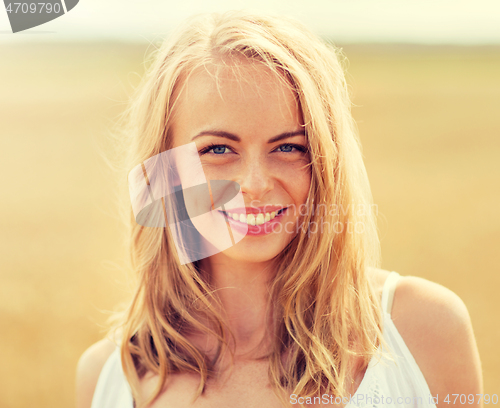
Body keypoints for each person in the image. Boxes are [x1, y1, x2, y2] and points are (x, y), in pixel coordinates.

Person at [76, 10, 483, 408]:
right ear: (167, 169)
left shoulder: (424, 331)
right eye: (218, 149)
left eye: (289, 147)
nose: (254, 183)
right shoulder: (107, 378)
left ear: (326, 163)